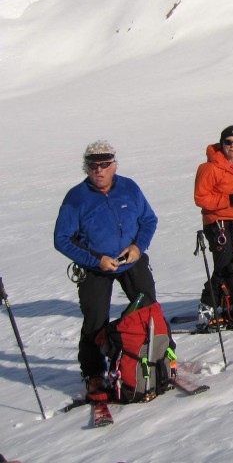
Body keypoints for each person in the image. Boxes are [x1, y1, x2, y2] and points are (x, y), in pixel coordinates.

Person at [54, 140, 166, 401]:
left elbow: (149, 220)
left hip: (130, 260)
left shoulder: (129, 187)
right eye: (93, 166)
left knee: (148, 309)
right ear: (87, 168)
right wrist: (96, 260)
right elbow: (62, 238)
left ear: (114, 165)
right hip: (96, 267)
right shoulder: (76, 198)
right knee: (95, 321)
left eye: (105, 165)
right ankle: (94, 373)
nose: (99, 171)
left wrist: (138, 247)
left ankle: (159, 356)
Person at [194, 125, 233, 321]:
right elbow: (201, 198)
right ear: (222, 144)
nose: (232, 146)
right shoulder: (209, 167)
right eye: (228, 142)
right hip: (217, 222)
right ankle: (207, 304)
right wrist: (230, 200)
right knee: (223, 263)